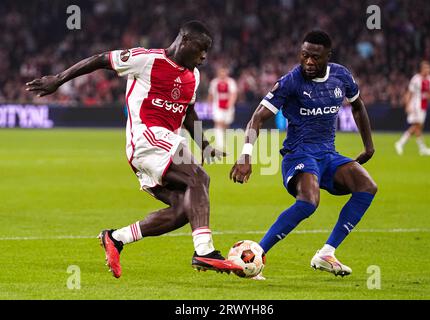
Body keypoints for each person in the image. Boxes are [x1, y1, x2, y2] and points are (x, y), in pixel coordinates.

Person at [26, 21, 242, 278]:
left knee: (185, 208)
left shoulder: (192, 76)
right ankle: (204, 252)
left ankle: (116, 238)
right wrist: (59, 80)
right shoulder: (146, 59)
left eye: (207, 51)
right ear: (184, 41)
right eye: (201, 49)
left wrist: (204, 145)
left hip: (163, 147)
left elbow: (188, 112)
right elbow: (101, 59)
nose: (204, 57)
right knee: (199, 177)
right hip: (145, 137)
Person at [230, 31, 377, 278]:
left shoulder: (341, 76)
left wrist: (369, 146)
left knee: (367, 186)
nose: (309, 62)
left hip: (328, 155)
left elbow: (358, 106)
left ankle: (326, 254)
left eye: (315, 57)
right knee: (309, 201)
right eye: (305, 55)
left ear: (328, 57)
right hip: (298, 154)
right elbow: (257, 117)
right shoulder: (290, 82)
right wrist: (246, 155)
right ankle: (257, 255)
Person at [395, 61, 430, 156]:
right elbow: (409, 93)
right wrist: (407, 105)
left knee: (418, 127)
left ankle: (416, 147)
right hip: (415, 105)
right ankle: (402, 144)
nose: (428, 70)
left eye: (429, 68)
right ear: (422, 69)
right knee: (417, 126)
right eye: (426, 68)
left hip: (423, 106)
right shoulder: (416, 79)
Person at [208, 66, 238, 150]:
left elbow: (234, 94)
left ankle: (224, 141)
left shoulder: (231, 82)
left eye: (224, 72)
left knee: (226, 124)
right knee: (218, 123)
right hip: (217, 106)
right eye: (221, 72)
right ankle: (219, 143)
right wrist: (210, 105)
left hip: (228, 107)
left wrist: (230, 103)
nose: (222, 74)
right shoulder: (214, 82)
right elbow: (211, 94)